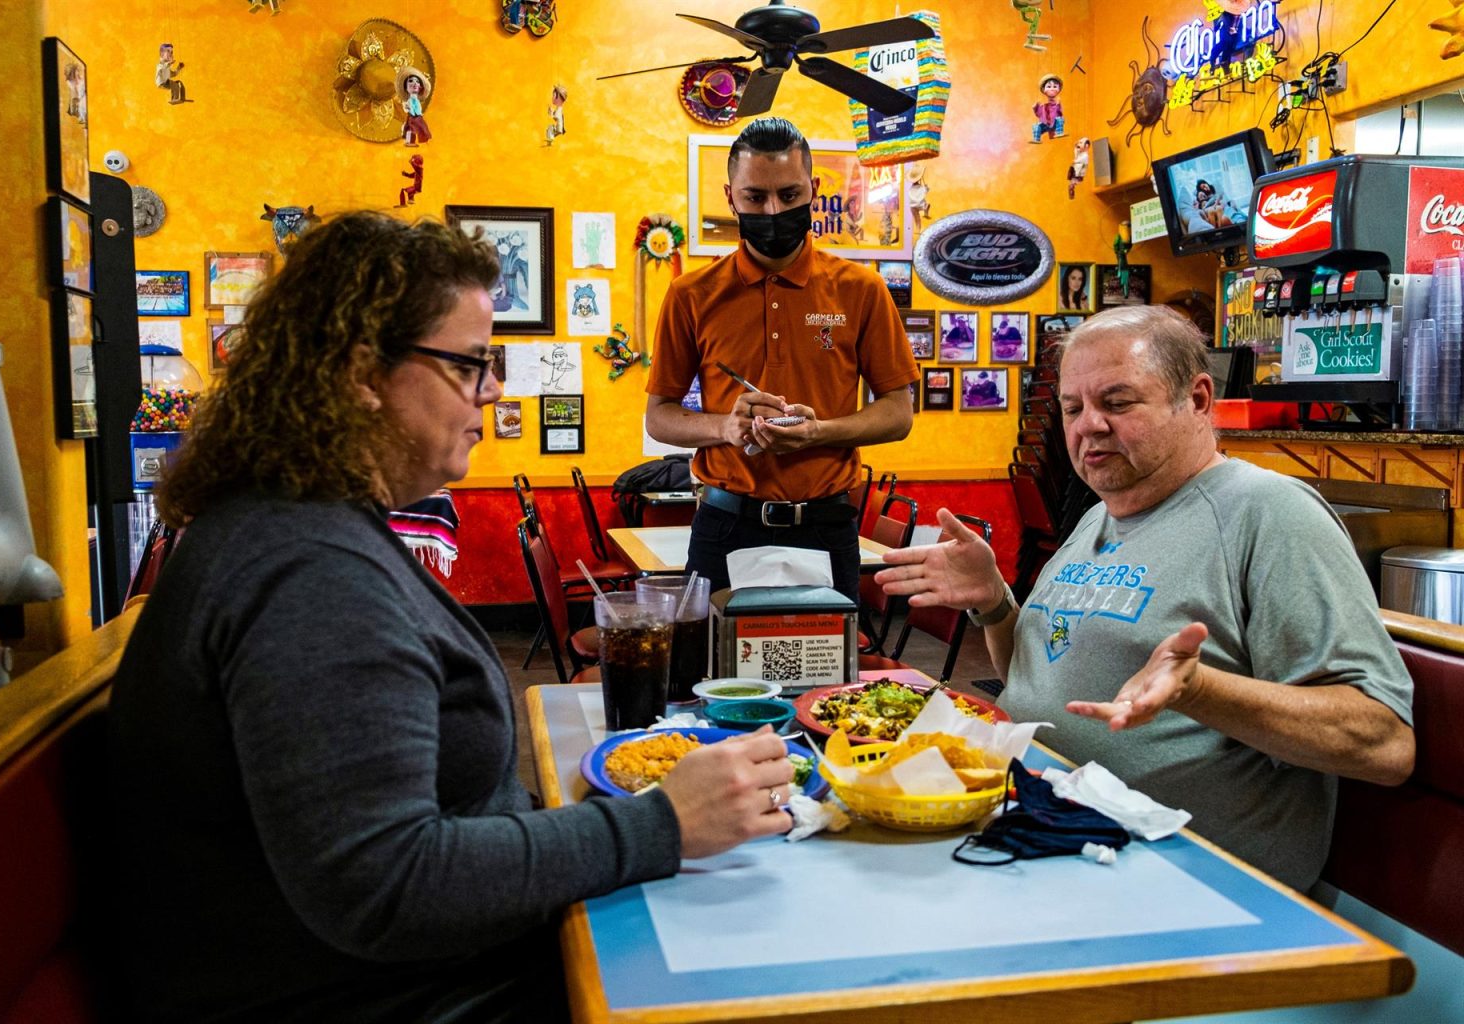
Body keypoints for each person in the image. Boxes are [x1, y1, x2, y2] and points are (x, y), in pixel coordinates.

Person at [106, 211, 797, 1022]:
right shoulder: (310, 574)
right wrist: (661, 824)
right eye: (471, 363)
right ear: (365, 372)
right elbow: (385, 884)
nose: (494, 387)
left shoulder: (289, 523)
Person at [874, 305, 1414, 892]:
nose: (1089, 426)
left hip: (1186, 885)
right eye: (1073, 408)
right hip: (1045, 841)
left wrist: (1201, 691)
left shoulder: (1270, 513)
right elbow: (1035, 678)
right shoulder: (1096, 520)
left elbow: (1384, 742)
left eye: (1118, 402)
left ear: (1199, 400)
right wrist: (996, 605)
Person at [645, 117, 918, 604]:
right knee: (708, 673)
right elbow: (659, 417)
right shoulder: (691, 294)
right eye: (755, 198)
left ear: (813, 190)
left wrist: (819, 433)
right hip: (724, 524)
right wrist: (726, 428)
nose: (773, 210)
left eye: (790, 196)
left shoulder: (862, 289)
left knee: (828, 678)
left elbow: (898, 413)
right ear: (731, 197)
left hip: (826, 526)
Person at [399, 68, 432, 146]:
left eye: (417, 81)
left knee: (417, 128)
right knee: (411, 129)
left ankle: (417, 140)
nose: (415, 83)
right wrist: (409, 109)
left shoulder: (416, 100)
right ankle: (410, 141)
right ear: (406, 87)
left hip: (417, 116)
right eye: (411, 81)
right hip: (413, 117)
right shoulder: (409, 100)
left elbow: (417, 108)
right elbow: (408, 108)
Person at [1031, 73, 1064, 142]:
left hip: (1054, 124)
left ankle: (1059, 132)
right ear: (1043, 89)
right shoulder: (1043, 105)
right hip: (1045, 125)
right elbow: (1038, 113)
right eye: (1049, 86)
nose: (1052, 89)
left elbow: (1060, 112)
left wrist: (1058, 105)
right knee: (1036, 126)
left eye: (1055, 86)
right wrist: (1035, 107)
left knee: (1060, 119)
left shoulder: (1057, 102)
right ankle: (1036, 139)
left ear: (1059, 89)